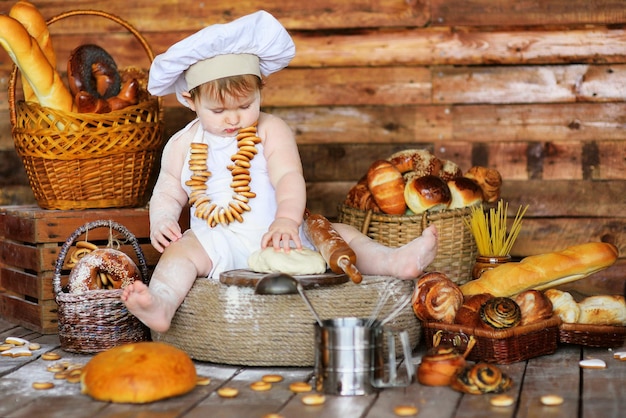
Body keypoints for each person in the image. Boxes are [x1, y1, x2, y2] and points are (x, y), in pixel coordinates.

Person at [121, 11, 438, 333]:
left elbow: (288, 177)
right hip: (217, 240)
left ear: (262, 89)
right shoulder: (183, 143)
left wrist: (287, 220)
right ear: (190, 100)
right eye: (218, 111)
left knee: (343, 235)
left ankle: (395, 261)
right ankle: (161, 303)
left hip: (282, 235)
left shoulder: (272, 129)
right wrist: (161, 219)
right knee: (178, 253)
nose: (233, 119)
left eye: (245, 106)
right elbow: (168, 188)